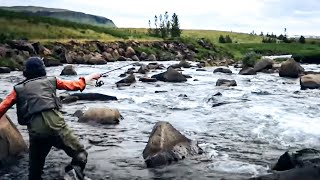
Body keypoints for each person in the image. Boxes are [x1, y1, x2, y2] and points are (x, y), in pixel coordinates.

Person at [0, 57, 101, 180]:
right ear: (42, 69)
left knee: (35, 172)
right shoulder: (52, 81)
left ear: (26, 71)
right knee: (80, 154)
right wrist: (91, 76)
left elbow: (2, 108)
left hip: (36, 133)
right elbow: (75, 85)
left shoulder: (18, 89)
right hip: (58, 128)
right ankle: (72, 174)